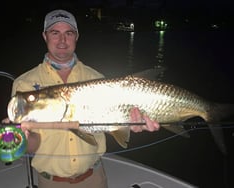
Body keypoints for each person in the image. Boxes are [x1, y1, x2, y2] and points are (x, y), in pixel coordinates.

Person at [9, 9, 160, 188]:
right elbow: (32, 145)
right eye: (55, 33)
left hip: (94, 178)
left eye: (69, 33)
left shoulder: (97, 78)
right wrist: (21, 138)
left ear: (77, 37)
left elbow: (115, 123)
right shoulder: (24, 85)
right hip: (51, 182)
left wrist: (133, 122)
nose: (62, 41)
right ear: (45, 36)